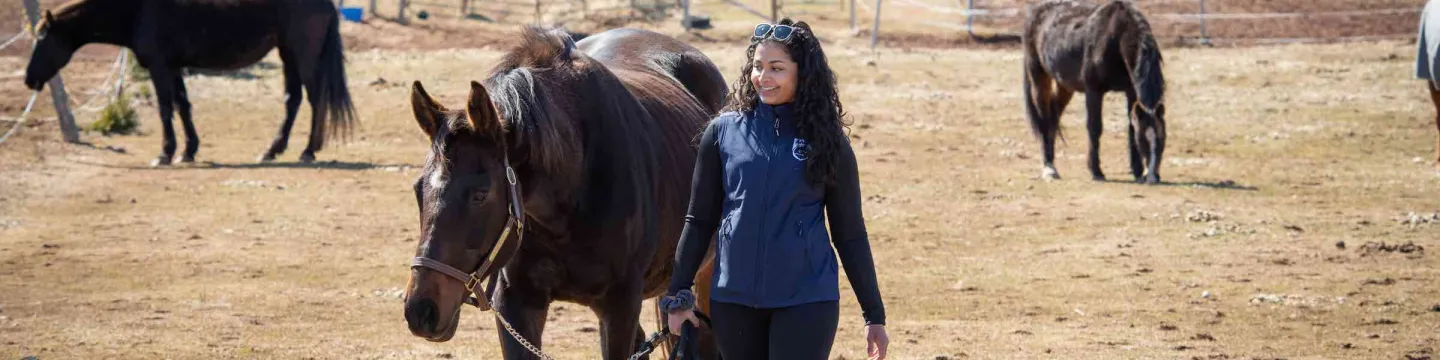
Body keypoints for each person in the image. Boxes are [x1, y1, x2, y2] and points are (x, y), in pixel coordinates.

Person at [659, 18, 889, 360]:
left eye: (777, 68)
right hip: (733, 300)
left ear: (802, 73)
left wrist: (874, 315)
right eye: (757, 66)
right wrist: (678, 296)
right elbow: (699, 220)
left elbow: (850, 234)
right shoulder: (722, 133)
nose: (763, 78)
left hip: (806, 301)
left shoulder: (828, 143)